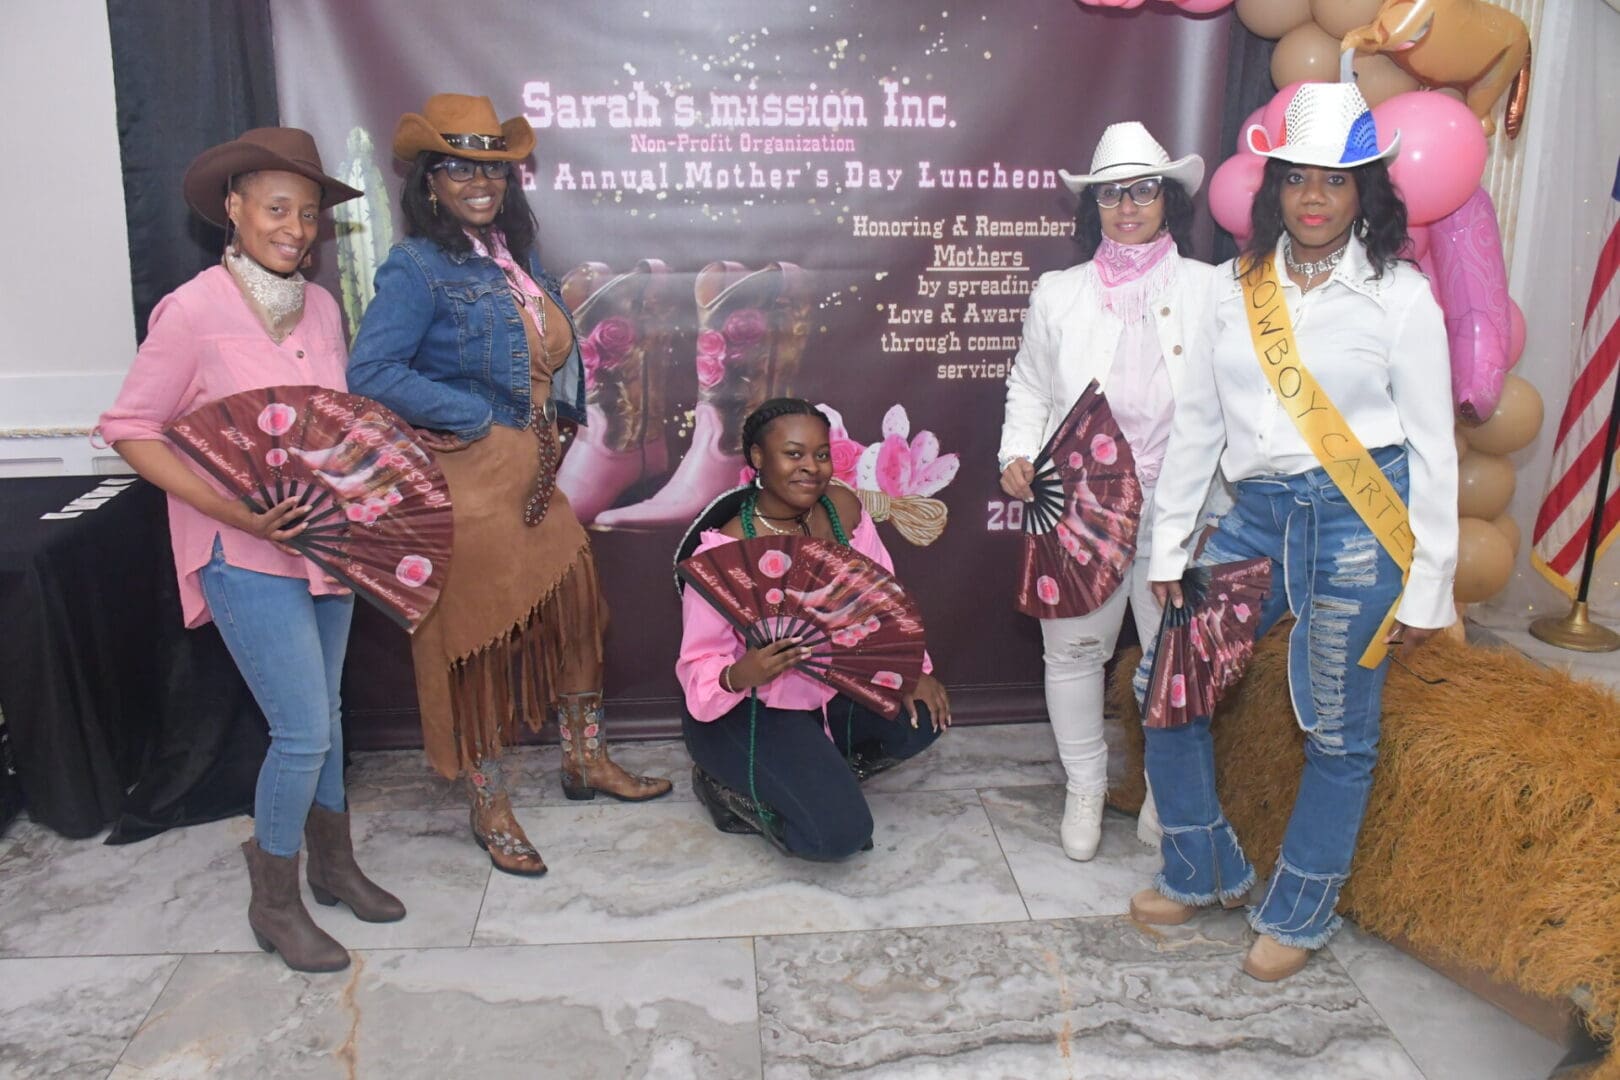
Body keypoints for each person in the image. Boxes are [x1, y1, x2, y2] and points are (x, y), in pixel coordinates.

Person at [1131, 83, 1458, 982]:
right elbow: (1200, 424)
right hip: (1258, 513)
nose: (1314, 197)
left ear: (1365, 193)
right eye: (1298, 178)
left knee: (1339, 727)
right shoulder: (1230, 290)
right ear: (1273, 187)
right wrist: (1171, 545)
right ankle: (1201, 868)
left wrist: (1430, 584)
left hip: (1359, 515)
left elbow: (1434, 447)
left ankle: (1301, 907)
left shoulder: (1401, 296)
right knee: (1168, 688)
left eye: (1336, 181)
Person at [96, 128, 402, 974]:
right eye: (276, 208)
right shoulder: (192, 311)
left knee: (328, 719)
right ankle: (273, 899)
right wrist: (228, 507)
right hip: (243, 552)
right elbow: (130, 427)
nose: (294, 228)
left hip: (328, 548)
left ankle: (334, 867)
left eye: (306, 214)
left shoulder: (324, 308)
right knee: (300, 731)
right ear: (232, 209)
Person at [347, 94, 671, 879]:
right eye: (459, 168)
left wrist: (558, 423)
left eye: (491, 168)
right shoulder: (417, 267)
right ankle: (488, 804)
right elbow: (371, 370)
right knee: (482, 646)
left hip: (536, 476)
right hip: (472, 480)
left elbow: (550, 359)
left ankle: (584, 760)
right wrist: (477, 421)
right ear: (429, 183)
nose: (479, 182)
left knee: (580, 618)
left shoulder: (513, 259)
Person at [998, 122, 1220, 862]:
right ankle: (1086, 788)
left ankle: (1163, 791)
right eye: (1111, 194)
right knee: (1074, 655)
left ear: (1168, 199)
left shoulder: (1211, 289)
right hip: (1080, 507)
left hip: (1180, 505)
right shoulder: (1058, 293)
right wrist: (1016, 452)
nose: (1127, 207)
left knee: (1173, 659)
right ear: (1092, 206)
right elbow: (1030, 386)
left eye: (1143, 190)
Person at [675, 399, 951, 859]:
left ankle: (822, 774)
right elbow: (698, 663)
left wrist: (911, 671)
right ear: (758, 458)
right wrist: (742, 673)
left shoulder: (843, 512)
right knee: (838, 837)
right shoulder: (724, 550)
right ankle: (726, 787)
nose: (811, 467)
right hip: (747, 707)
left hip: (827, 692)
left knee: (922, 716)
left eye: (821, 454)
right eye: (794, 454)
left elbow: (883, 601)